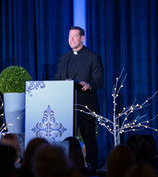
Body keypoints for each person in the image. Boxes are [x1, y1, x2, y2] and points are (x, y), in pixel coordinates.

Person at [55, 26, 104, 171]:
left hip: (85, 104)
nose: (71, 40)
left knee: (89, 139)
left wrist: (89, 85)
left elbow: (99, 81)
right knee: (68, 139)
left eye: (74, 36)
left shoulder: (93, 57)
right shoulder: (64, 58)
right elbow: (58, 78)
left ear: (82, 38)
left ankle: (93, 168)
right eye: (69, 37)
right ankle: (68, 166)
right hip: (66, 105)